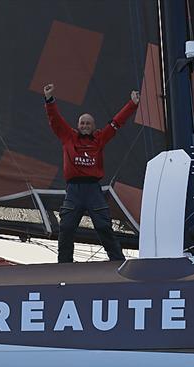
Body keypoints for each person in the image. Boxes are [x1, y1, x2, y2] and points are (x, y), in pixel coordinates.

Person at [44, 83, 139, 263]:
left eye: (88, 123)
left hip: (93, 190)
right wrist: (49, 100)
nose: (85, 125)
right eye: (82, 123)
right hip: (74, 190)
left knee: (103, 226)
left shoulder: (99, 138)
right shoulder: (68, 137)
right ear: (78, 125)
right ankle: (64, 265)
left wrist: (132, 104)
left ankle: (117, 261)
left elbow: (116, 122)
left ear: (93, 126)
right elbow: (55, 120)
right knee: (66, 226)